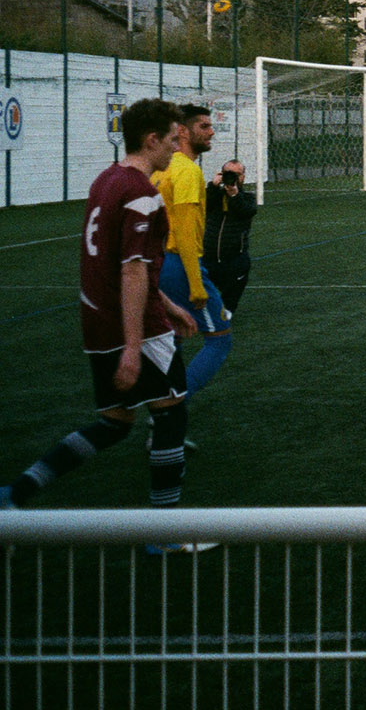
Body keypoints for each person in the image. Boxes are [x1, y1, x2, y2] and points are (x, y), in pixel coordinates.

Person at [1, 98, 212, 553]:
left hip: (97, 321)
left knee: (116, 423)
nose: (179, 148)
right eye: (174, 139)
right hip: (134, 328)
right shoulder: (142, 192)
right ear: (151, 139)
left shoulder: (106, 180)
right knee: (171, 415)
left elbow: (122, 261)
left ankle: (14, 494)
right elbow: (132, 269)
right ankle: (163, 535)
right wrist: (135, 346)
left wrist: (168, 302)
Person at [152, 104, 235, 397]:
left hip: (158, 265)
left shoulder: (160, 170)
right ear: (183, 132)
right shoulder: (187, 172)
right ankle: (172, 410)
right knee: (220, 339)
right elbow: (185, 234)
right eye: (203, 126)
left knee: (170, 342)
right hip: (179, 266)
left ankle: (161, 421)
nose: (211, 131)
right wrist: (197, 285)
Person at [202, 159, 256, 312]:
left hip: (234, 257)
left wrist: (234, 195)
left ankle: (228, 308)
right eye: (228, 174)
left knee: (240, 274)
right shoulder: (214, 196)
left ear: (243, 177)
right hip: (209, 255)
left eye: (237, 174)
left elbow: (245, 211)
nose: (232, 178)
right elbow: (204, 205)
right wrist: (213, 186)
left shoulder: (248, 198)